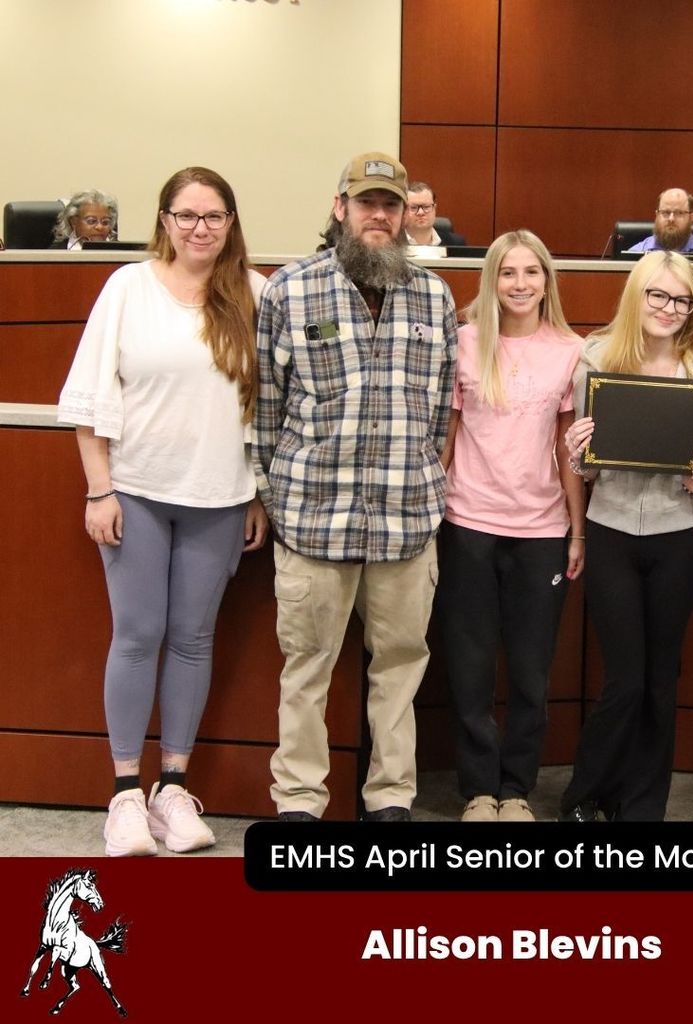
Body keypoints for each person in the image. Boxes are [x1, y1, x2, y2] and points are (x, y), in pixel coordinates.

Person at [57, 167, 269, 856]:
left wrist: (257, 491)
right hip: (138, 492)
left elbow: (269, 408)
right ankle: (124, 795)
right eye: (186, 215)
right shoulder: (128, 287)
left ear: (231, 223)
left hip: (219, 497)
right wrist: (99, 489)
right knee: (138, 634)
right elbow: (89, 396)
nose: (199, 228)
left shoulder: (256, 295)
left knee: (191, 639)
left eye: (213, 216)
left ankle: (172, 788)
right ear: (165, 220)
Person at [254, 151, 458, 823]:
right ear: (340, 208)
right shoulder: (290, 291)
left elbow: (437, 414)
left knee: (400, 666)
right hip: (316, 520)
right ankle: (300, 805)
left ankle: (390, 800)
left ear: (405, 216)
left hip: (405, 522)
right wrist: (278, 497)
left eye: (390, 204)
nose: (379, 214)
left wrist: (424, 482)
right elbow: (267, 409)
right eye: (366, 202)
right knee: (307, 669)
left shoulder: (435, 297)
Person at [559, 251, 693, 822]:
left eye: (681, 300)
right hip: (611, 533)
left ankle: (641, 810)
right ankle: (585, 798)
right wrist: (577, 455)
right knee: (625, 681)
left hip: (677, 536)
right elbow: (585, 464)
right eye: (657, 295)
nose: (669, 308)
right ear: (637, 295)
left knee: (661, 681)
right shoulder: (597, 357)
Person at [438, 230, 585, 823]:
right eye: (508, 273)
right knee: (470, 667)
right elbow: (446, 438)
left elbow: (569, 449)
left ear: (547, 280)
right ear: (491, 281)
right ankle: (478, 789)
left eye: (531, 272)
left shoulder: (572, 351)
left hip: (542, 530)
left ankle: (517, 789)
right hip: (467, 521)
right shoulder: (464, 344)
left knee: (530, 669)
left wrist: (577, 530)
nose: (520, 284)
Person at [626, 188, 693, 255]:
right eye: (666, 212)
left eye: (679, 213)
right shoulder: (636, 253)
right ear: (657, 215)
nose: (671, 219)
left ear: (691, 217)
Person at [404, 180, 466, 249]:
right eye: (413, 207)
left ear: (434, 209)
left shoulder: (456, 243)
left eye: (426, 207)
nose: (421, 212)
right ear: (403, 210)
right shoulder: (392, 243)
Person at [52, 189, 118, 249]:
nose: (99, 227)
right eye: (92, 221)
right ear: (74, 222)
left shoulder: (122, 252)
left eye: (105, 222)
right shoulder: (53, 255)